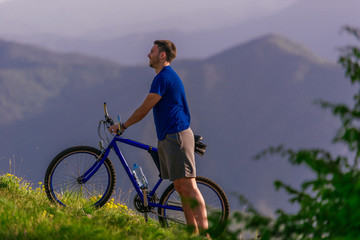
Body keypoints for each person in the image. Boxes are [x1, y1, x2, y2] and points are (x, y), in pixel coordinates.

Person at [108, 40, 209, 234]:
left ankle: (205, 234)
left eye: (152, 51)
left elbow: (145, 108)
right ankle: (193, 234)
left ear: (162, 55)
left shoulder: (164, 77)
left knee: (188, 187)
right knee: (180, 187)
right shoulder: (163, 77)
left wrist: (123, 126)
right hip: (168, 137)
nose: (148, 54)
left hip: (177, 136)